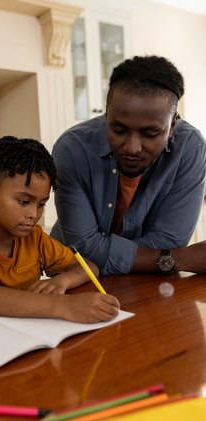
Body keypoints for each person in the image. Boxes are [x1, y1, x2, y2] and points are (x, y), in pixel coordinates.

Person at [50, 55, 206, 276]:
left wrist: (164, 255)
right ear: (106, 114)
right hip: (76, 278)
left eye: (150, 133)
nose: (132, 148)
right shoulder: (72, 149)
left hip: (146, 281)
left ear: (172, 126)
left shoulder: (190, 147)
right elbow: (82, 248)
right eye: (119, 130)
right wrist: (174, 259)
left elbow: (171, 239)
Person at [0, 136, 119, 324]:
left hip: (24, 333)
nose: (33, 214)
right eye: (23, 202)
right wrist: (66, 306)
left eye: (41, 204)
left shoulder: (34, 238)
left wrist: (61, 282)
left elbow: (89, 268)